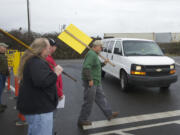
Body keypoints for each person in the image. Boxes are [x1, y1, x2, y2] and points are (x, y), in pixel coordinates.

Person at [17, 38, 63, 135]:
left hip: (37, 107)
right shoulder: (36, 62)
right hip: (40, 110)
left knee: (34, 131)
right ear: (42, 49)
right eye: (48, 48)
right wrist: (55, 73)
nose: (49, 50)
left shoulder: (34, 60)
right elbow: (42, 81)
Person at [78, 40, 119, 127]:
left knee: (101, 98)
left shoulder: (95, 54)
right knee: (88, 101)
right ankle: (82, 120)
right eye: (100, 47)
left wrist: (104, 63)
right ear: (95, 46)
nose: (101, 49)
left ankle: (109, 114)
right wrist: (90, 79)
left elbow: (97, 66)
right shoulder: (91, 54)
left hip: (96, 82)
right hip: (91, 82)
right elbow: (86, 67)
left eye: (101, 48)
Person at [46, 38, 64, 135]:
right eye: (55, 46)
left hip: (51, 92)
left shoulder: (48, 58)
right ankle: (49, 132)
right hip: (52, 93)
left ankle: (49, 131)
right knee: (51, 115)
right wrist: (59, 93)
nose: (56, 48)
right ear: (50, 47)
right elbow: (52, 80)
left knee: (50, 115)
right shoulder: (48, 59)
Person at [0, 43, 9, 113]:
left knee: (1, 90)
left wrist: (7, 74)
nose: (6, 49)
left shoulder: (3, 55)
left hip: (3, 75)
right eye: (4, 47)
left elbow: (5, 66)